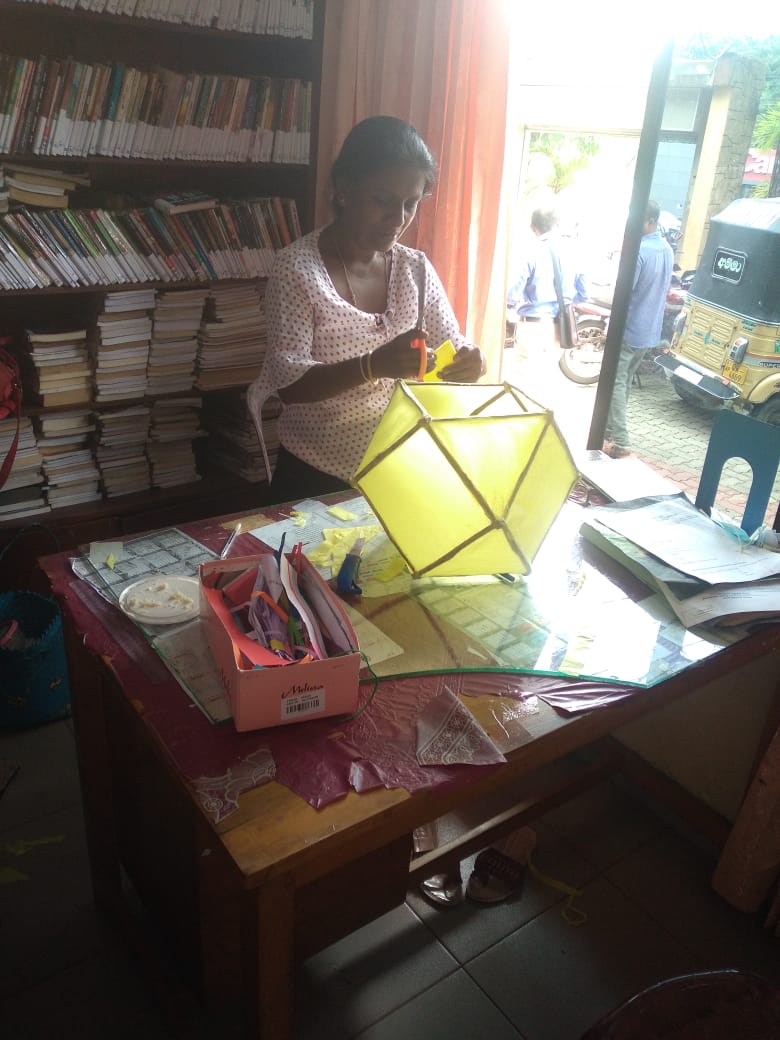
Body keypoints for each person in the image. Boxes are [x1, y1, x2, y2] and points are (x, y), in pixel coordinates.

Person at [251, 115, 485, 504]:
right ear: (344, 189)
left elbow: (451, 344)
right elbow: (288, 384)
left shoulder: (415, 269)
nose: (398, 219)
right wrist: (372, 366)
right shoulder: (297, 269)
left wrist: (470, 362)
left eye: (411, 203)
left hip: (401, 470)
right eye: (383, 201)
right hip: (317, 477)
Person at [604, 199, 673, 459]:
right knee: (624, 385)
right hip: (649, 332)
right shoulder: (666, 249)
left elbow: (624, 292)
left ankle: (620, 439)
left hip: (630, 329)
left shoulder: (640, 251)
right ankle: (610, 432)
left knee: (615, 384)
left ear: (650, 221)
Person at [505, 207, 589, 389]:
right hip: (561, 327)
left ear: (532, 227)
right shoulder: (575, 252)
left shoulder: (530, 251)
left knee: (522, 384)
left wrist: (510, 308)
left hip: (532, 326)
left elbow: (512, 295)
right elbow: (584, 294)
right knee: (546, 380)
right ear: (558, 224)